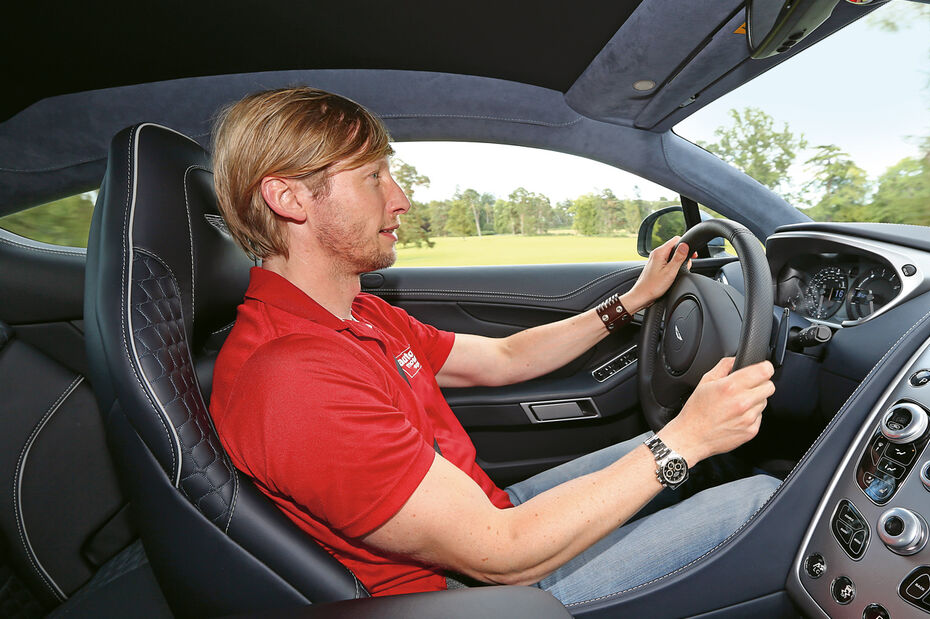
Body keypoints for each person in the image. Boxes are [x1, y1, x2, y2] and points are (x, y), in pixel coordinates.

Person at [209, 87, 779, 605]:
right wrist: (690, 436)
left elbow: (505, 359)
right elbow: (503, 555)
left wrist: (630, 303)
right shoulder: (291, 378)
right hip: (469, 593)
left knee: (696, 464)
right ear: (289, 198)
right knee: (760, 501)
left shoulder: (359, 314)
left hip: (488, 517)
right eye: (374, 177)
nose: (401, 199)